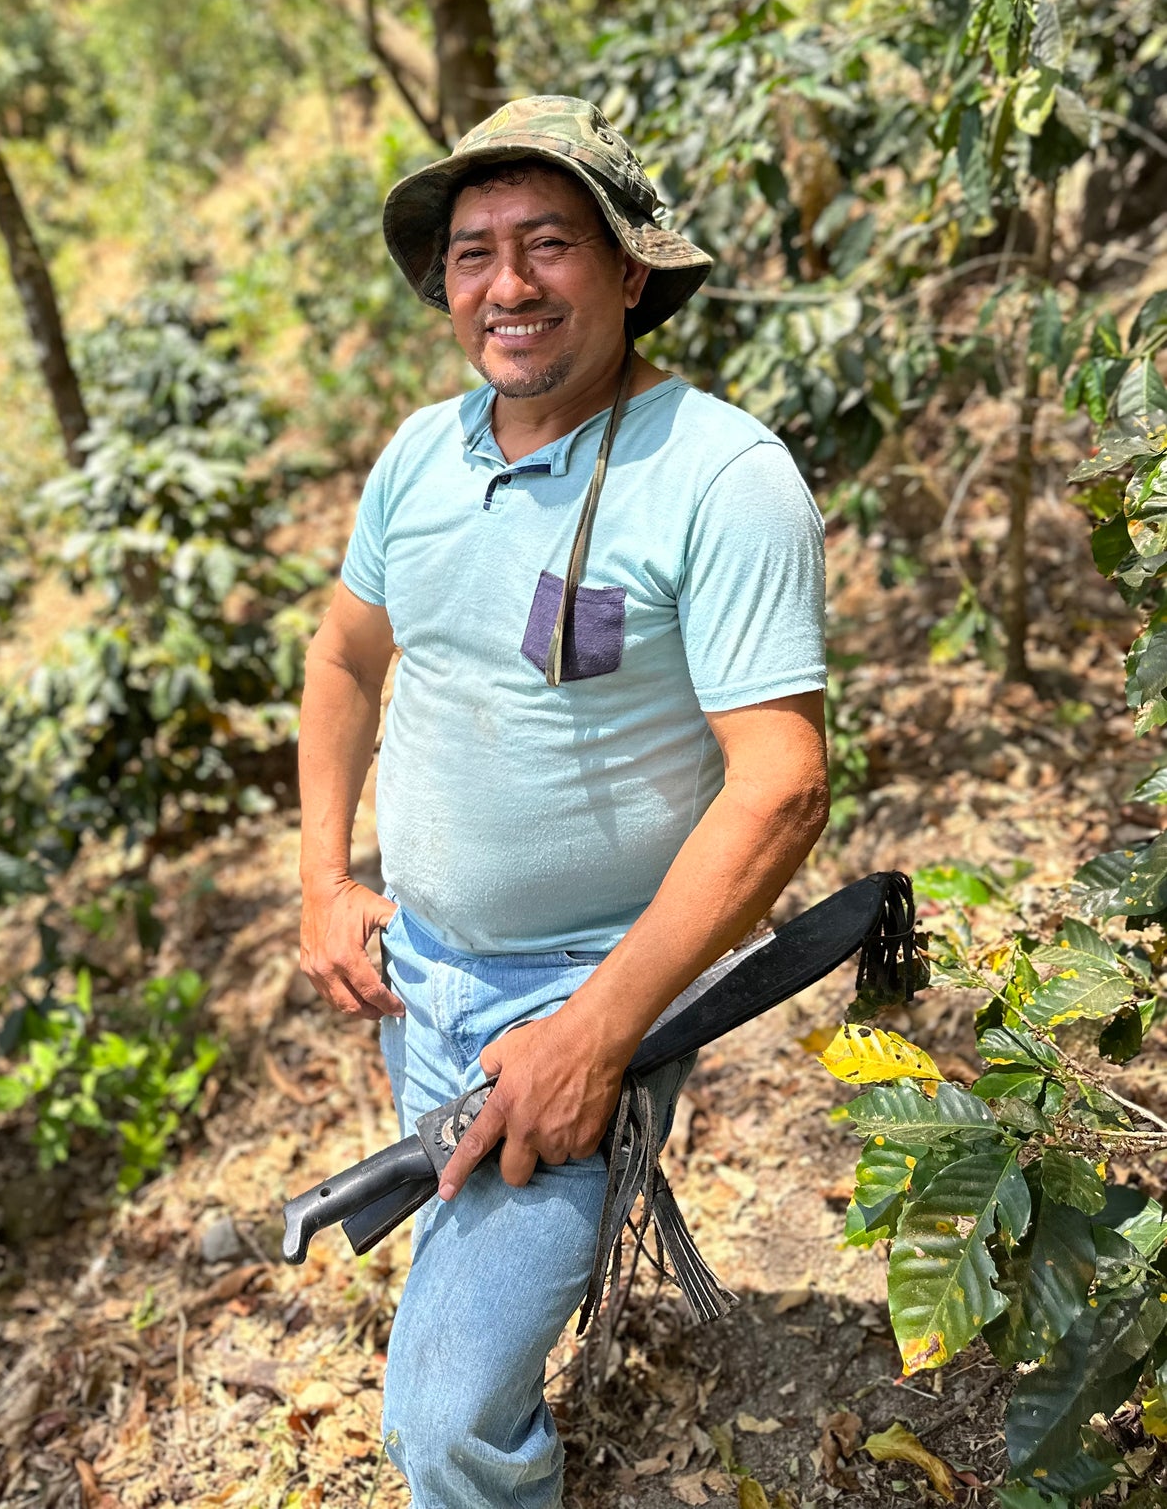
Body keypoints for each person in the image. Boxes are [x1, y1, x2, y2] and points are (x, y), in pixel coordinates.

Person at [295, 95, 829, 1509]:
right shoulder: (422, 455)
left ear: (632, 269)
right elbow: (346, 654)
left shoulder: (717, 475)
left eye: (548, 243)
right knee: (452, 1299)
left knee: (443, 1426)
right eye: (472, 252)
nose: (506, 284)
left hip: (586, 991)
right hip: (420, 974)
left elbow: (779, 789)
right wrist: (324, 882)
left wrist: (599, 1032)